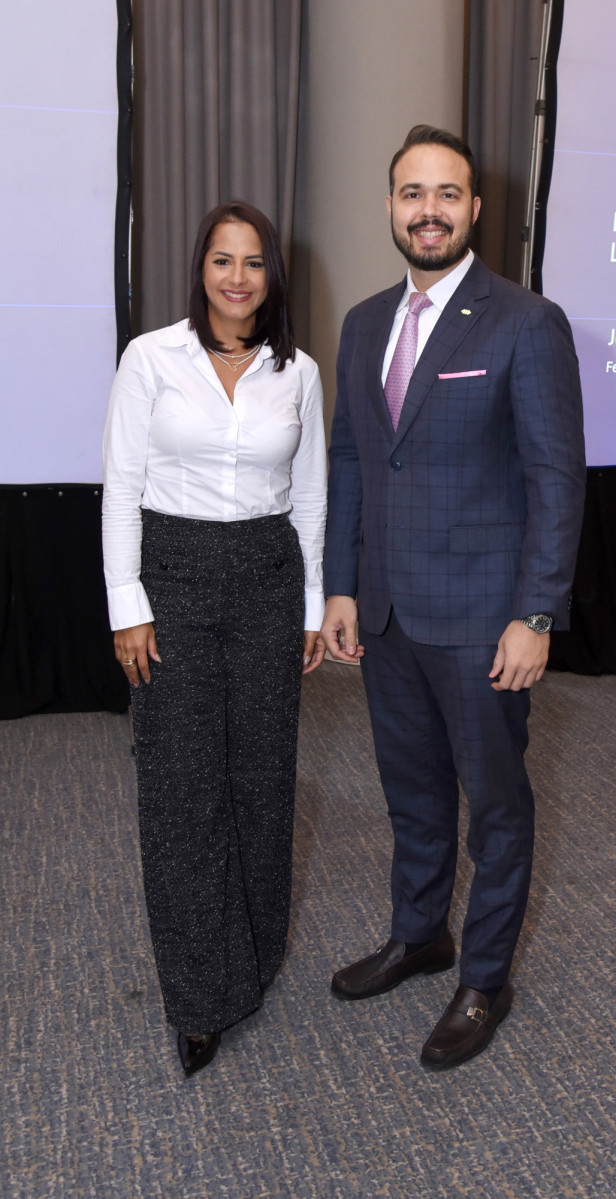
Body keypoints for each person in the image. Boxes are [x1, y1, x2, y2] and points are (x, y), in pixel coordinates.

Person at [320, 126, 585, 1069]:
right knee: (415, 792)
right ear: (390, 205)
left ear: (476, 209)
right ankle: (420, 932)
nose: (427, 209)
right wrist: (341, 587)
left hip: (484, 621)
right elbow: (354, 457)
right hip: (386, 617)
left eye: (447, 193)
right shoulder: (360, 324)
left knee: (497, 806)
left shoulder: (525, 321)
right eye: (409, 193)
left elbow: (556, 476)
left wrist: (538, 611)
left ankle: (484, 977)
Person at [102, 200, 327, 1075]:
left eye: (255, 262)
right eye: (222, 260)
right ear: (201, 267)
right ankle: (199, 996)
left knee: (262, 778)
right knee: (182, 788)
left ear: (273, 275)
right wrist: (128, 601)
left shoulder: (298, 371)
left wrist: (309, 609)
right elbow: (120, 484)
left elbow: (309, 495)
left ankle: (254, 958)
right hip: (174, 577)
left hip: (270, 582)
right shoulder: (150, 357)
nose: (237, 277)